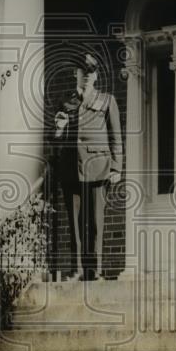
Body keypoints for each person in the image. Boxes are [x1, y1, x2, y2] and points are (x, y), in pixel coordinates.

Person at [52, 53, 123, 280]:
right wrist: (59, 129)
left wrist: (116, 168)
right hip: (70, 169)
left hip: (98, 167)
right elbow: (54, 140)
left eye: (90, 73)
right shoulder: (65, 101)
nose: (86, 77)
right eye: (82, 73)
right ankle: (77, 270)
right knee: (74, 224)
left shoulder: (106, 100)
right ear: (77, 75)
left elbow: (116, 137)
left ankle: (95, 270)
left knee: (94, 223)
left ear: (95, 76)